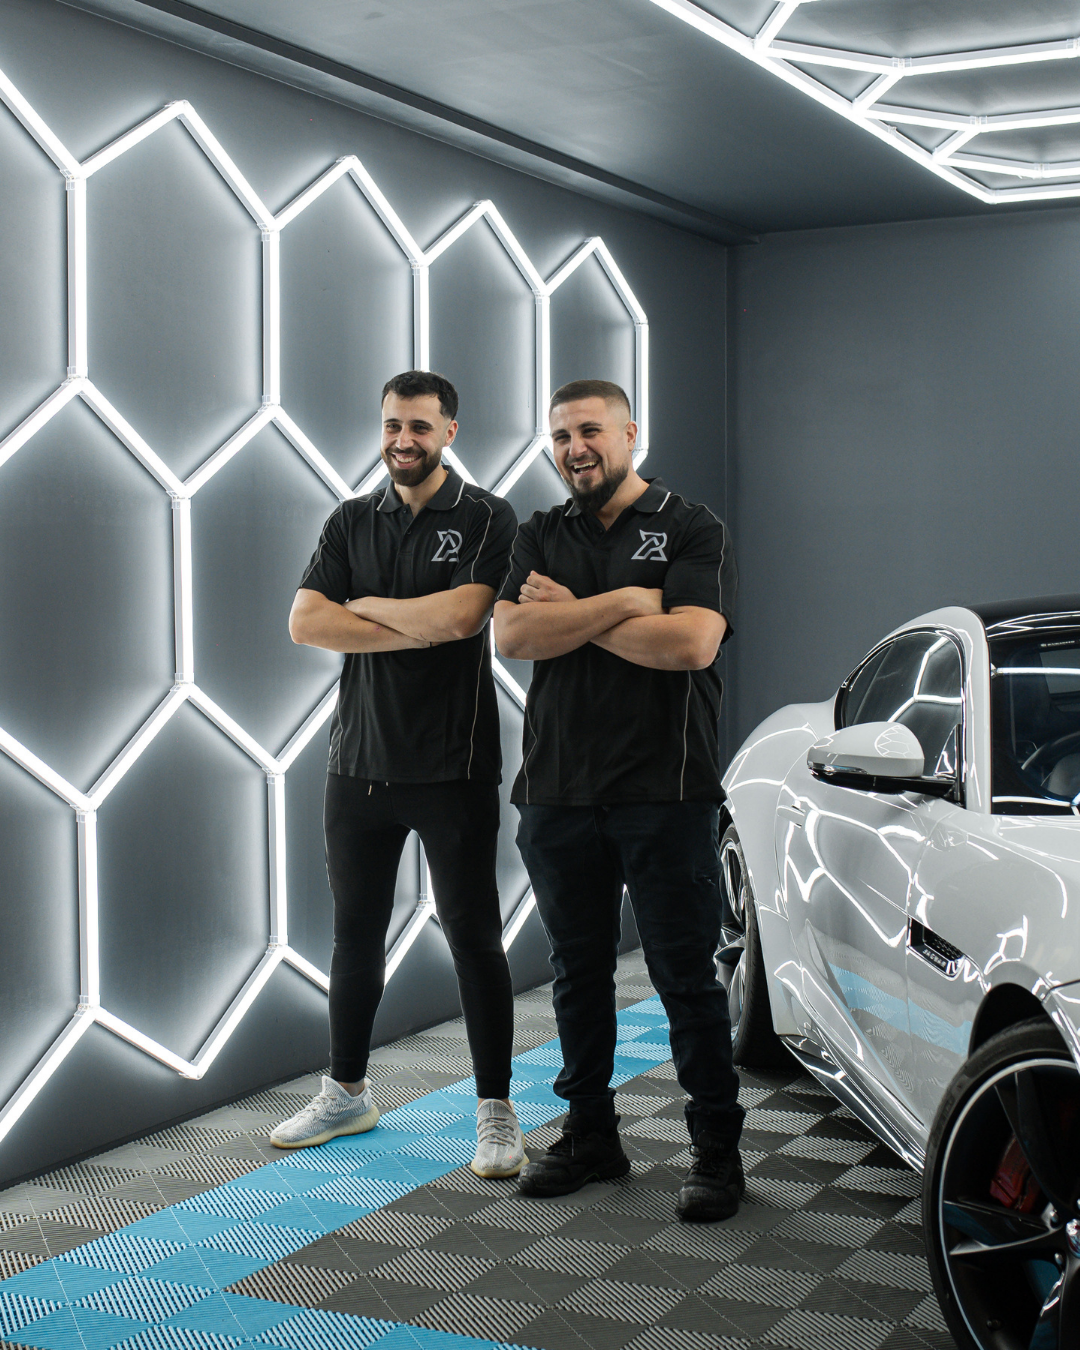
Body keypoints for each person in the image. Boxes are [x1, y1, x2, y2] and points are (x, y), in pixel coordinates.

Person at [493, 379, 744, 1221]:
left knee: (685, 980)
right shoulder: (538, 532)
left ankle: (717, 1152)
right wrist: (628, 603)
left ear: (630, 432)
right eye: (561, 435)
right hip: (559, 795)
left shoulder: (690, 525)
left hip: (665, 794)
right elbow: (515, 635)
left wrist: (579, 614)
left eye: (590, 430)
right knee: (578, 976)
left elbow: (691, 643)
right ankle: (592, 1135)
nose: (575, 448)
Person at [272, 370, 525, 1179]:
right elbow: (306, 621)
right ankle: (347, 1092)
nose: (402, 441)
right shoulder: (352, 519)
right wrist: (411, 621)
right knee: (354, 939)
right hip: (359, 767)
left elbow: (462, 618)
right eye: (391, 425)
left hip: (453, 766)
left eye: (419, 426)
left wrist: (368, 608)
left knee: (475, 941)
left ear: (450, 430)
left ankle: (495, 1112)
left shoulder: (489, 516)